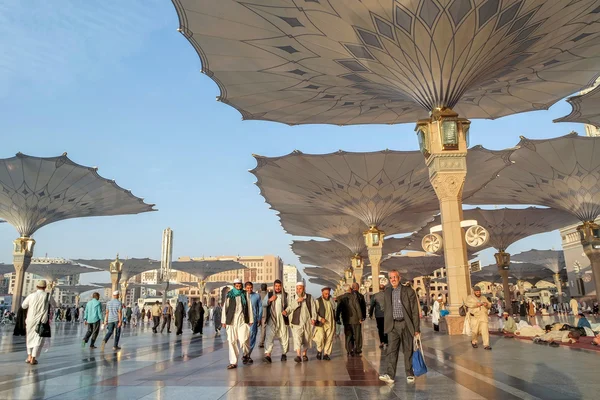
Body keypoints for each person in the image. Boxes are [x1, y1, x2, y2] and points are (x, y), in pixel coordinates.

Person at [378, 270, 421, 385]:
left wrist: (416, 328)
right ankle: (390, 375)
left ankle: (410, 374)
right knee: (391, 350)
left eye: (395, 277)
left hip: (406, 324)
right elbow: (386, 309)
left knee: (408, 349)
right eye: (391, 278)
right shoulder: (387, 292)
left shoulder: (408, 291)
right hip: (393, 325)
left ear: (399, 278)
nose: (393, 279)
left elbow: (415, 311)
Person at [222, 278, 253, 369]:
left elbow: (249, 306)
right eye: (236, 285)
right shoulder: (230, 294)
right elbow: (225, 308)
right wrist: (224, 321)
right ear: (234, 285)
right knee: (232, 341)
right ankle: (233, 362)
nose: (238, 286)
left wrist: (251, 319)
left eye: (239, 285)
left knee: (244, 339)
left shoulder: (245, 294)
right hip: (231, 321)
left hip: (243, 321)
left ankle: (246, 353)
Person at [284, 282, 316, 363]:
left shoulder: (309, 297)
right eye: (297, 288)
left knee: (306, 339)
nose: (298, 290)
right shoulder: (293, 297)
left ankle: (304, 354)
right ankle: (298, 356)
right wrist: (297, 302)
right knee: (297, 338)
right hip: (296, 322)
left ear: (304, 288)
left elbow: (313, 308)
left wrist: (313, 318)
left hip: (307, 322)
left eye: (300, 288)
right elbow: (290, 307)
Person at [22, 280, 51, 365]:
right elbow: (55, 304)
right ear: (45, 287)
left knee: (29, 337)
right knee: (38, 339)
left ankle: (29, 356)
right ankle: (33, 359)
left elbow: (23, 305)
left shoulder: (31, 296)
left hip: (30, 320)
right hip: (42, 320)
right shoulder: (48, 296)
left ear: (37, 287)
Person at [263, 279, 290, 363]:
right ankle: (268, 355)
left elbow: (289, 306)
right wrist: (270, 300)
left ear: (281, 287)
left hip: (282, 319)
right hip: (271, 319)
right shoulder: (269, 294)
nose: (277, 288)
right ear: (274, 287)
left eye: (279, 286)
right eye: (276, 286)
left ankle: (284, 354)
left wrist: (287, 311)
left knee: (284, 337)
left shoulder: (286, 295)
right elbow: (263, 304)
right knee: (269, 337)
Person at [335, 284, 362, 356]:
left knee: (348, 335)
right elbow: (358, 307)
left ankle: (349, 350)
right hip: (355, 319)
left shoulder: (340, 298)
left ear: (344, 290)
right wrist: (360, 317)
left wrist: (337, 318)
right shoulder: (354, 297)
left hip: (346, 320)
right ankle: (358, 349)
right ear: (349, 289)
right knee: (357, 335)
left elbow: (338, 309)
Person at [313, 287, 335, 360]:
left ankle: (326, 354)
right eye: (325, 294)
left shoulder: (331, 301)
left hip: (330, 322)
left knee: (329, 338)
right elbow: (314, 312)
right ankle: (319, 351)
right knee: (320, 338)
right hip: (321, 323)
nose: (327, 295)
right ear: (322, 293)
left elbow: (334, 309)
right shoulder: (317, 301)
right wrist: (319, 319)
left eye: (328, 294)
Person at [466, 286, 492, 350]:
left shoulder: (483, 297)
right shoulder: (470, 297)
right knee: (475, 331)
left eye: (479, 292)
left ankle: (486, 344)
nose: (478, 293)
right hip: (475, 317)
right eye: (477, 292)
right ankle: (474, 341)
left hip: (483, 316)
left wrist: (487, 304)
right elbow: (467, 304)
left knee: (485, 331)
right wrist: (476, 305)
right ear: (474, 292)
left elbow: (489, 305)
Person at [244, 282, 263, 364]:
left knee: (252, 336)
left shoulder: (257, 296)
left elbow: (260, 307)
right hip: (244, 320)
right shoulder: (242, 296)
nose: (249, 289)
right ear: (245, 288)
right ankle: (245, 353)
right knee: (244, 337)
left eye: (250, 287)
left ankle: (248, 354)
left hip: (254, 319)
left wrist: (259, 318)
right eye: (247, 288)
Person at [258, 283, 269, 348]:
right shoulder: (267, 295)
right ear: (266, 288)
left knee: (260, 328)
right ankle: (261, 342)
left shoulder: (258, 295)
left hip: (259, 314)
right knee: (263, 328)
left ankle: (261, 341)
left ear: (261, 288)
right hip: (265, 313)